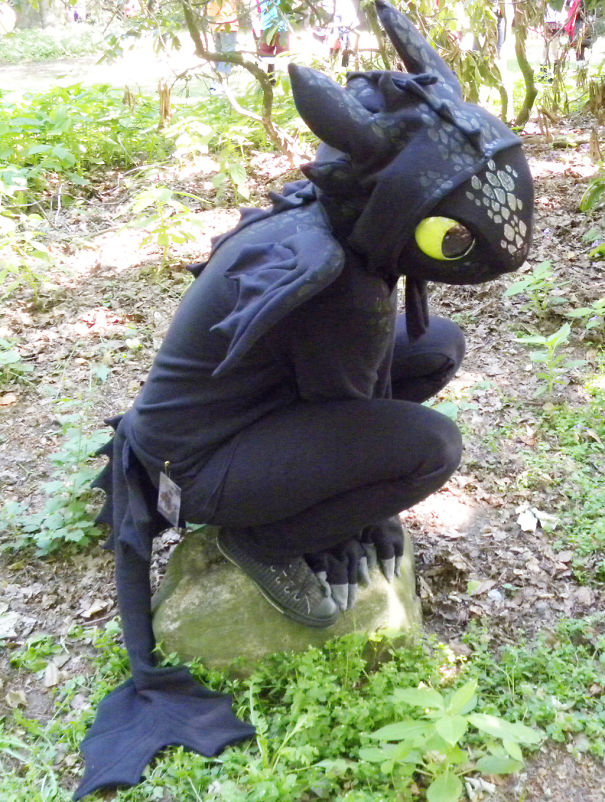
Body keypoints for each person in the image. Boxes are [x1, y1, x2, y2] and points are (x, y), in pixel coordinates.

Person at [74, 2, 534, 798]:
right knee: (431, 448)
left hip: (254, 409)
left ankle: (302, 500)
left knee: (438, 346)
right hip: (201, 465)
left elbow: (358, 383)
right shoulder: (335, 284)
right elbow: (348, 400)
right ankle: (269, 539)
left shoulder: (341, 238)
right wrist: (367, 492)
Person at [206, 0, 240, 79]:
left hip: (216, 25)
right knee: (228, 53)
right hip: (228, 24)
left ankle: (216, 79)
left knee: (219, 53)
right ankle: (220, 80)